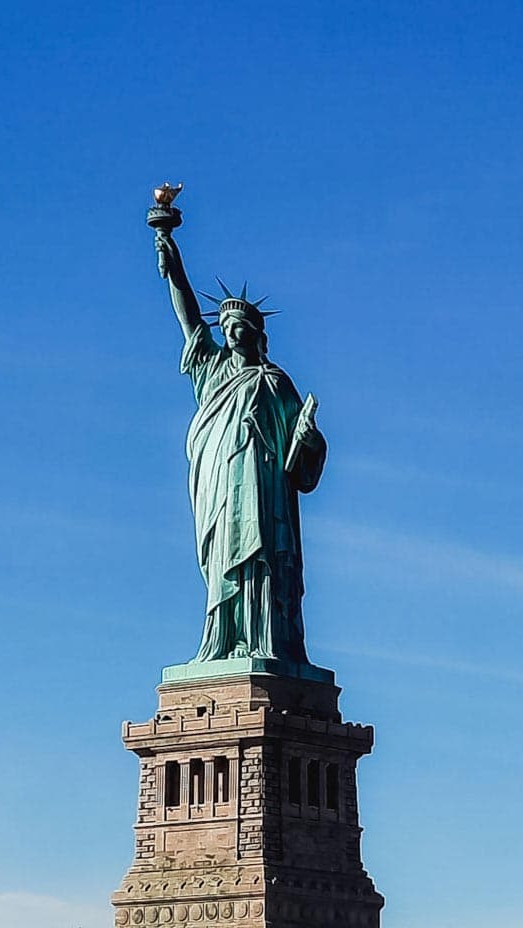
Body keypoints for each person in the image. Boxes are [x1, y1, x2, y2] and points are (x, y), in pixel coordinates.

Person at [153, 214, 327, 666]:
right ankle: (222, 640)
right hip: (219, 488)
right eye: (226, 329)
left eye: (239, 328)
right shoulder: (211, 372)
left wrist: (307, 437)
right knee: (223, 562)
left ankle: (268, 641)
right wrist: (173, 264)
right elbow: (189, 318)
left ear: (256, 335)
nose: (230, 334)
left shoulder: (275, 382)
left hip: (265, 493)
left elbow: (302, 458)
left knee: (266, 560)